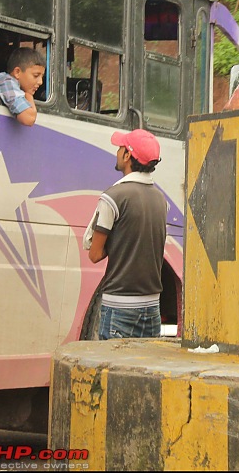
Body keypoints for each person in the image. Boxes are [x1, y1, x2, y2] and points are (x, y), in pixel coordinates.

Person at [83, 129, 167, 340]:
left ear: (128, 155)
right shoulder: (161, 200)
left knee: (112, 371)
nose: (118, 151)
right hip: (152, 307)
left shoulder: (113, 197)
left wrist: (117, 243)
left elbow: (94, 255)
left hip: (120, 308)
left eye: (121, 148)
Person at [0, 47, 45, 126]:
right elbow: (28, 118)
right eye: (36, 75)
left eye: (42, 77)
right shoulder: (6, 82)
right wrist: (29, 96)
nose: (40, 82)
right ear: (17, 72)